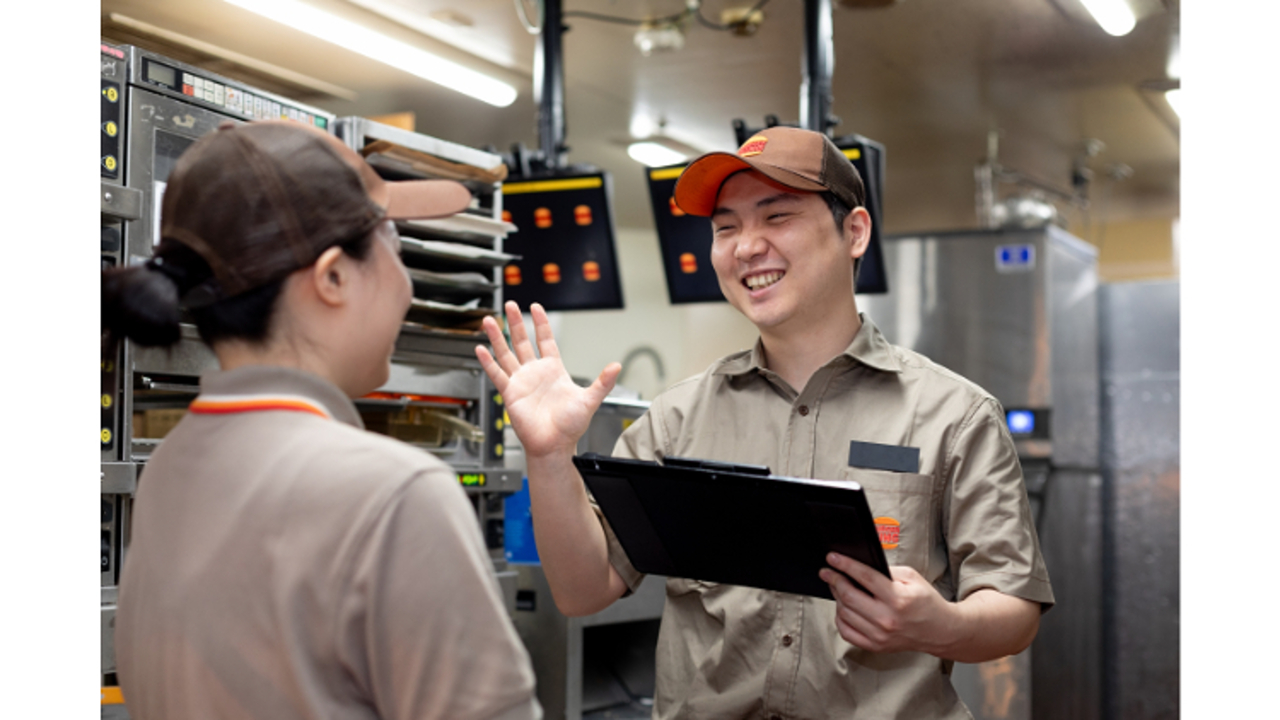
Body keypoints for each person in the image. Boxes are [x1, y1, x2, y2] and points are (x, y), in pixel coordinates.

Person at [477, 126, 1053, 719]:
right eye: (726, 227)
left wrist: (941, 623)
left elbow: (1012, 609)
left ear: (854, 232)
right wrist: (548, 455)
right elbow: (582, 590)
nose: (746, 246)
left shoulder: (954, 415)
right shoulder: (677, 419)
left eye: (777, 217)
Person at [105, 120, 540, 720]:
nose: (407, 284)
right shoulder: (395, 494)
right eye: (394, 242)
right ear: (333, 276)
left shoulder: (166, 472)